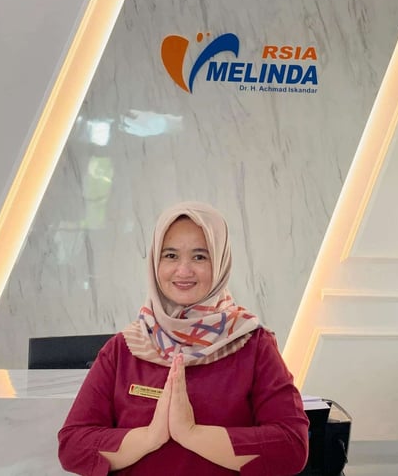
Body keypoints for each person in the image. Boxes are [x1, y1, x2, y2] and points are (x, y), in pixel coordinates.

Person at [58, 201, 309, 475]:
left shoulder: (253, 344)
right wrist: (150, 437)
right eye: (171, 255)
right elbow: (73, 445)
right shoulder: (125, 348)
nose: (184, 270)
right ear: (155, 261)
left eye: (200, 257)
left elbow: (291, 446)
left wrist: (191, 434)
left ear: (220, 262)